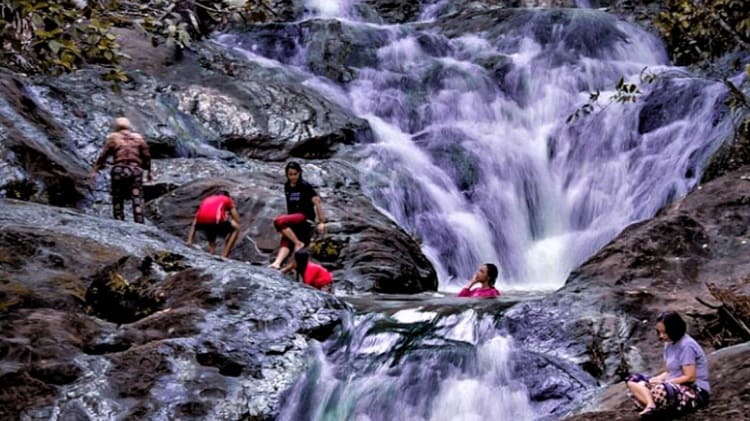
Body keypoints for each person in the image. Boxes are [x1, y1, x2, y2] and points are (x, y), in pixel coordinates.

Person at [626, 311, 710, 419]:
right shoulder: (669, 344)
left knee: (661, 390)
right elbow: (670, 371)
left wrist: (664, 382)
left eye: (665, 332)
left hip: (694, 390)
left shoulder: (686, 345)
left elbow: (690, 377)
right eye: (659, 332)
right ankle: (651, 404)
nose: (661, 336)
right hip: (673, 384)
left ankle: (649, 403)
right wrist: (655, 379)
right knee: (633, 380)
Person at [88, 117, 152, 223]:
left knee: (118, 196)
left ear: (117, 127)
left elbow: (103, 156)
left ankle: (119, 219)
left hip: (119, 169)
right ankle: (139, 221)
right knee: (136, 196)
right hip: (135, 169)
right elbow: (147, 156)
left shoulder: (113, 138)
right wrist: (149, 172)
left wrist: (94, 170)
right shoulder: (138, 138)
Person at [269, 161, 326, 269]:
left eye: (295, 174)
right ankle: (277, 263)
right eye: (290, 175)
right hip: (293, 217)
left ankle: (297, 243)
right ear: (287, 175)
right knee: (286, 238)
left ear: (300, 173)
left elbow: (317, 202)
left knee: (279, 221)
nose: (293, 177)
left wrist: (321, 222)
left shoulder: (305, 186)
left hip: (304, 216)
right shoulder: (287, 186)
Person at [186, 190, 241, 258]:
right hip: (215, 221)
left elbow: (199, 215)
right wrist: (228, 214)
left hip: (201, 222)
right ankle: (224, 255)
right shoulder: (227, 199)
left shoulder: (208, 199)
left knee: (203, 221)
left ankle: (190, 241)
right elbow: (237, 219)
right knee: (236, 227)